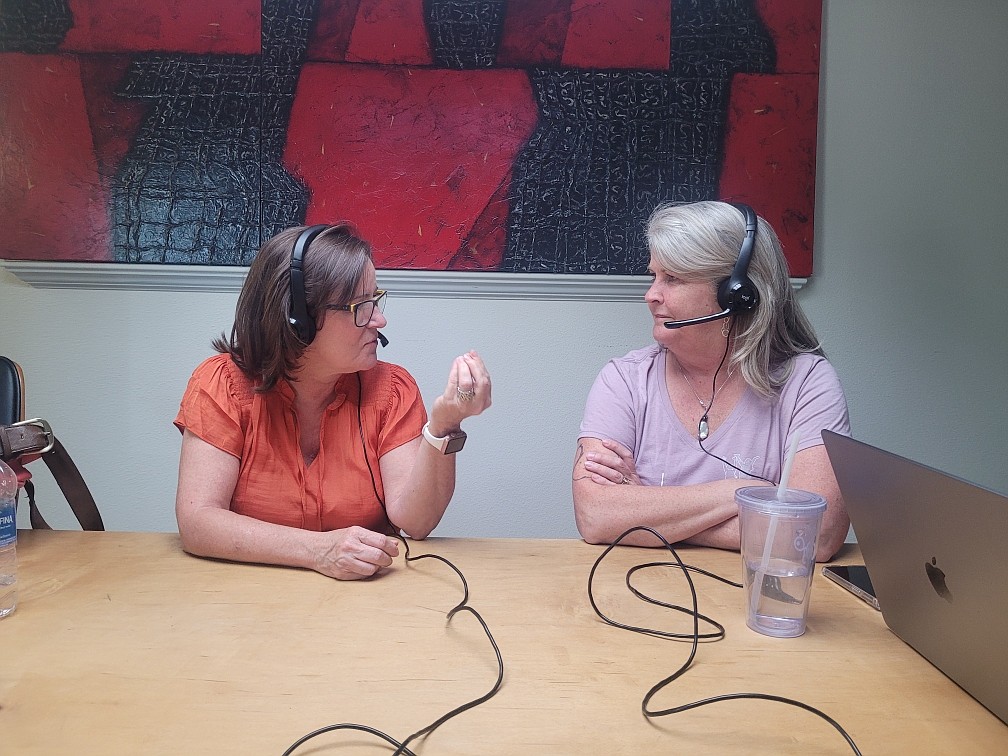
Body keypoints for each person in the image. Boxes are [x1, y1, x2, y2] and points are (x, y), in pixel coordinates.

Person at [174, 223, 491, 580]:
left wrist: (444, 426)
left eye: (377, 299)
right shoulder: (221, 385)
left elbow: (415, 522)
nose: (380, 319)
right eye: (361, 306)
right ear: (299, 319)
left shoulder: (391, 389)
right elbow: (198, 521)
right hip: (241, 601)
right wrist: (317, 551)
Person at [573, 201, 849, 561]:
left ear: (736, 294)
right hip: (638, 595)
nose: (651, 295)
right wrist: (745, 492)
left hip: (753, 602)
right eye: (654, 276)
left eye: (673, 278)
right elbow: (596, 516)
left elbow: (817, 534)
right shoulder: (623, 380)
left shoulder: (807, 384)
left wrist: (652, 516)